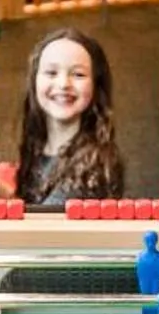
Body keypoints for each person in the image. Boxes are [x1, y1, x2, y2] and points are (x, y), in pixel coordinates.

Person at [13, 27, 125, 204]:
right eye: (51, 73)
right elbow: (32, 209)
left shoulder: (92, 165)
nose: (64, 83)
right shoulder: (40, 146)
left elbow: (41, 230)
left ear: (96, 86)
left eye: (78, 74)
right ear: (34, 81)